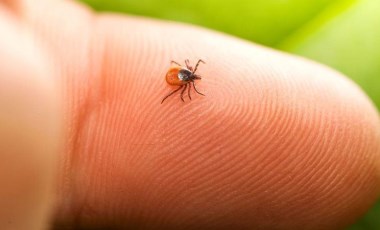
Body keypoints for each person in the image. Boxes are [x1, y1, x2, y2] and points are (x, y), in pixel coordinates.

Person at [0, 0, 379, 229]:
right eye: (191, 76)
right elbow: (180, 78)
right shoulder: (183, 81)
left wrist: (183, 77)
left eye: (191, 76)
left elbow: (179, 73)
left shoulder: (182, 76)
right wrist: (182, 84)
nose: (191, 77)